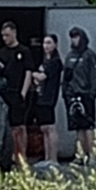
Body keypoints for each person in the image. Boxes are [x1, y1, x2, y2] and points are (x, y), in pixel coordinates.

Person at [18, 32, 65, 163]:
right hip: (40, 96)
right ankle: (47, 157)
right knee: (43, 128)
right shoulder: (46, 61)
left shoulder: (55, 62)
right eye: (45, 43)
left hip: (48, 98)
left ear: (55, 45)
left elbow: (42, 77)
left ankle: (54, 159)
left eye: (49, 43)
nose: (46, 46)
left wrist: (30, 72)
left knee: (50, 127)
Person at [0, 23, 30, 166]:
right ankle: (11, 154)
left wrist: (23, 92)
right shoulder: (1, 52)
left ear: (14, 33)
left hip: (18, 92)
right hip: (4, 93)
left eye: (7, 35)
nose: (5, 38)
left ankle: (22, 155)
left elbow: (28, 72)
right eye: (3, 36)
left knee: (20, 126)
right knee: (9, 126)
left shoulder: (24, 51)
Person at [62, 27, 96, 156]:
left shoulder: (89, 55)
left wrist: (93, 93)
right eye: (72, 37)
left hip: (86, 95)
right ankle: (81, 155)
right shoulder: (69, 56)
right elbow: (66, 76)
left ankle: (91, 154)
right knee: (77, 127)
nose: (74, 40)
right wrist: (65, 93)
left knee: (88, 126)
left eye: (76, 37)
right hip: (72, 95)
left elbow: (94, 75)